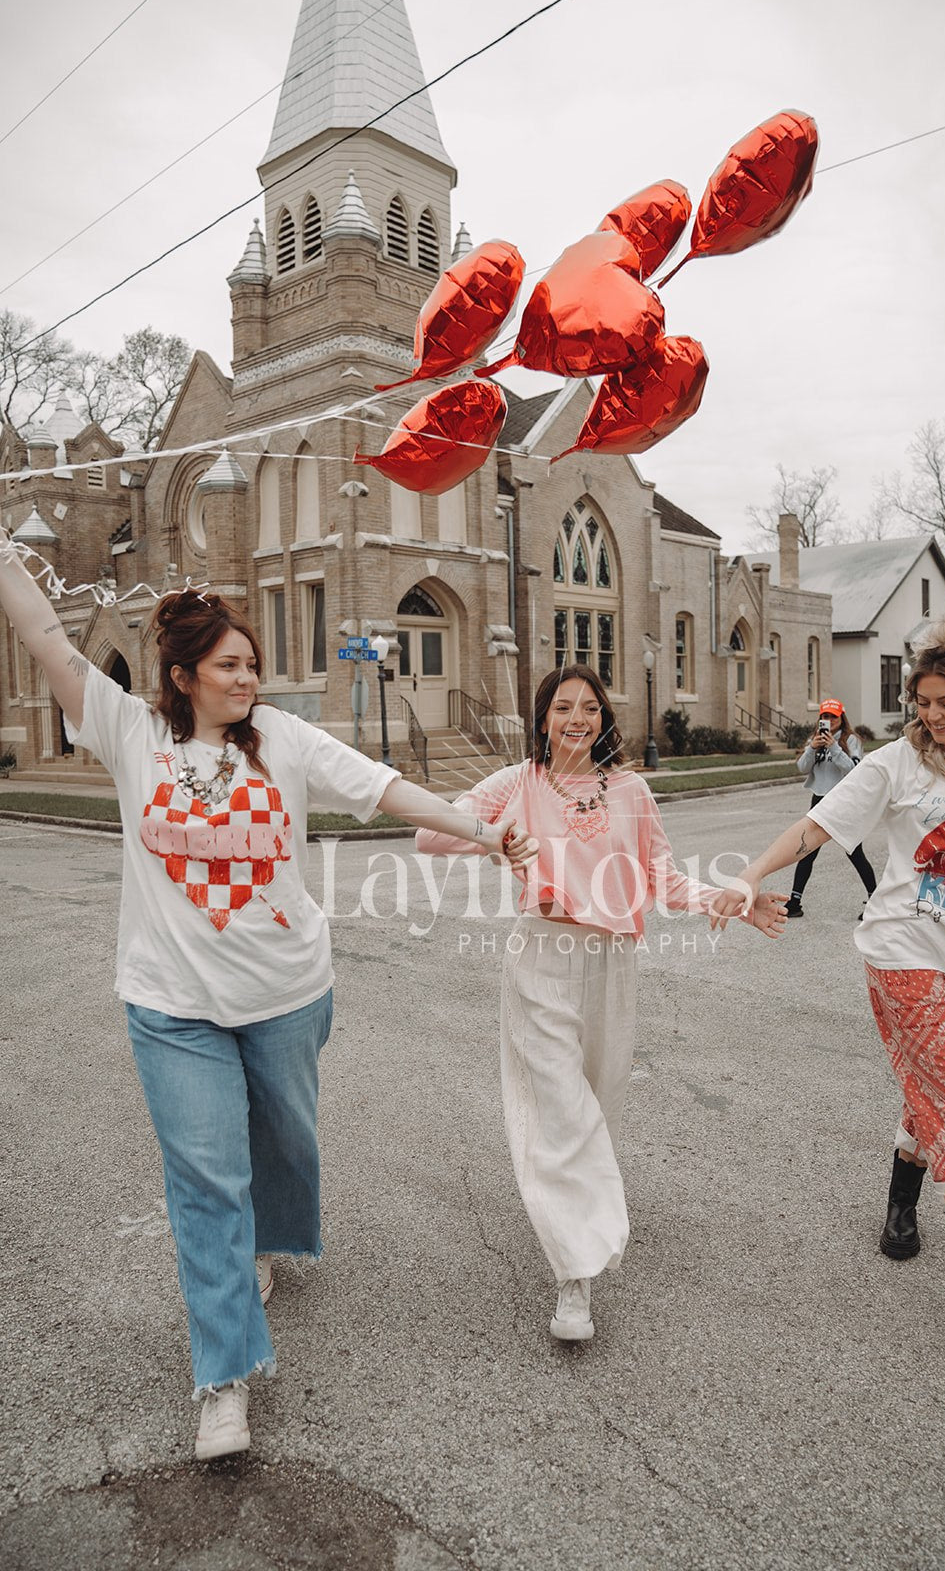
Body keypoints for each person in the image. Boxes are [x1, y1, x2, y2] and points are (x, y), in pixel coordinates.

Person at [0, 531, 535, 1460]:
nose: (249, 678)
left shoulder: (283, 738)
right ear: (183, 674)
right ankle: (224, 1376)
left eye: (252, 663)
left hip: (288, 991)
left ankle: (266, 1241)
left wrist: (482, 830)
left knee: (283, 1136)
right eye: (231, 665)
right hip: (171, 1005)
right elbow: (47, 634)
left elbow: (387, 789)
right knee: (207, 1179)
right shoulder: (130, 732)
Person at [719, 614, 945, 1357]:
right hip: (902, 951)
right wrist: (747, 876)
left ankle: (900, 1199)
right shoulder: (895, 764)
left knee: (933, 1090)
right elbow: (816, 829)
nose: (932, 716)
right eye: (923, 702)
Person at [416, 664, 787, 1342]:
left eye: (588, 707)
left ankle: (577, 1213)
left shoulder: (631, 791)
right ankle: (573, 1279)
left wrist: (728, 902)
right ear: (542, 719)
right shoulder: (517, 784)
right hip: (541, 960)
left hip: (611, 964)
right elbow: (428, 835)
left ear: (604, 720)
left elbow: (660, 877)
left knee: (596, 1105)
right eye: (562, 708)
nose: (576, 719)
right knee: (561, 1110)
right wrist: (492, 835)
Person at [785, 698, 877, 920]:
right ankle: (794, 902)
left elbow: (853, 770)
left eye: (833, 717)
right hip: (820, 800)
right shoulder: (815, 739)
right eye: (824, 717)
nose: (828, 721)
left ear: (841, 718)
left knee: (854, 852)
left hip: (843, 802)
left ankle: (876, 901)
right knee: (806, 851)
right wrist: (811, 748)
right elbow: (801, 768)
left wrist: (834, 748)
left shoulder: (852, 740)